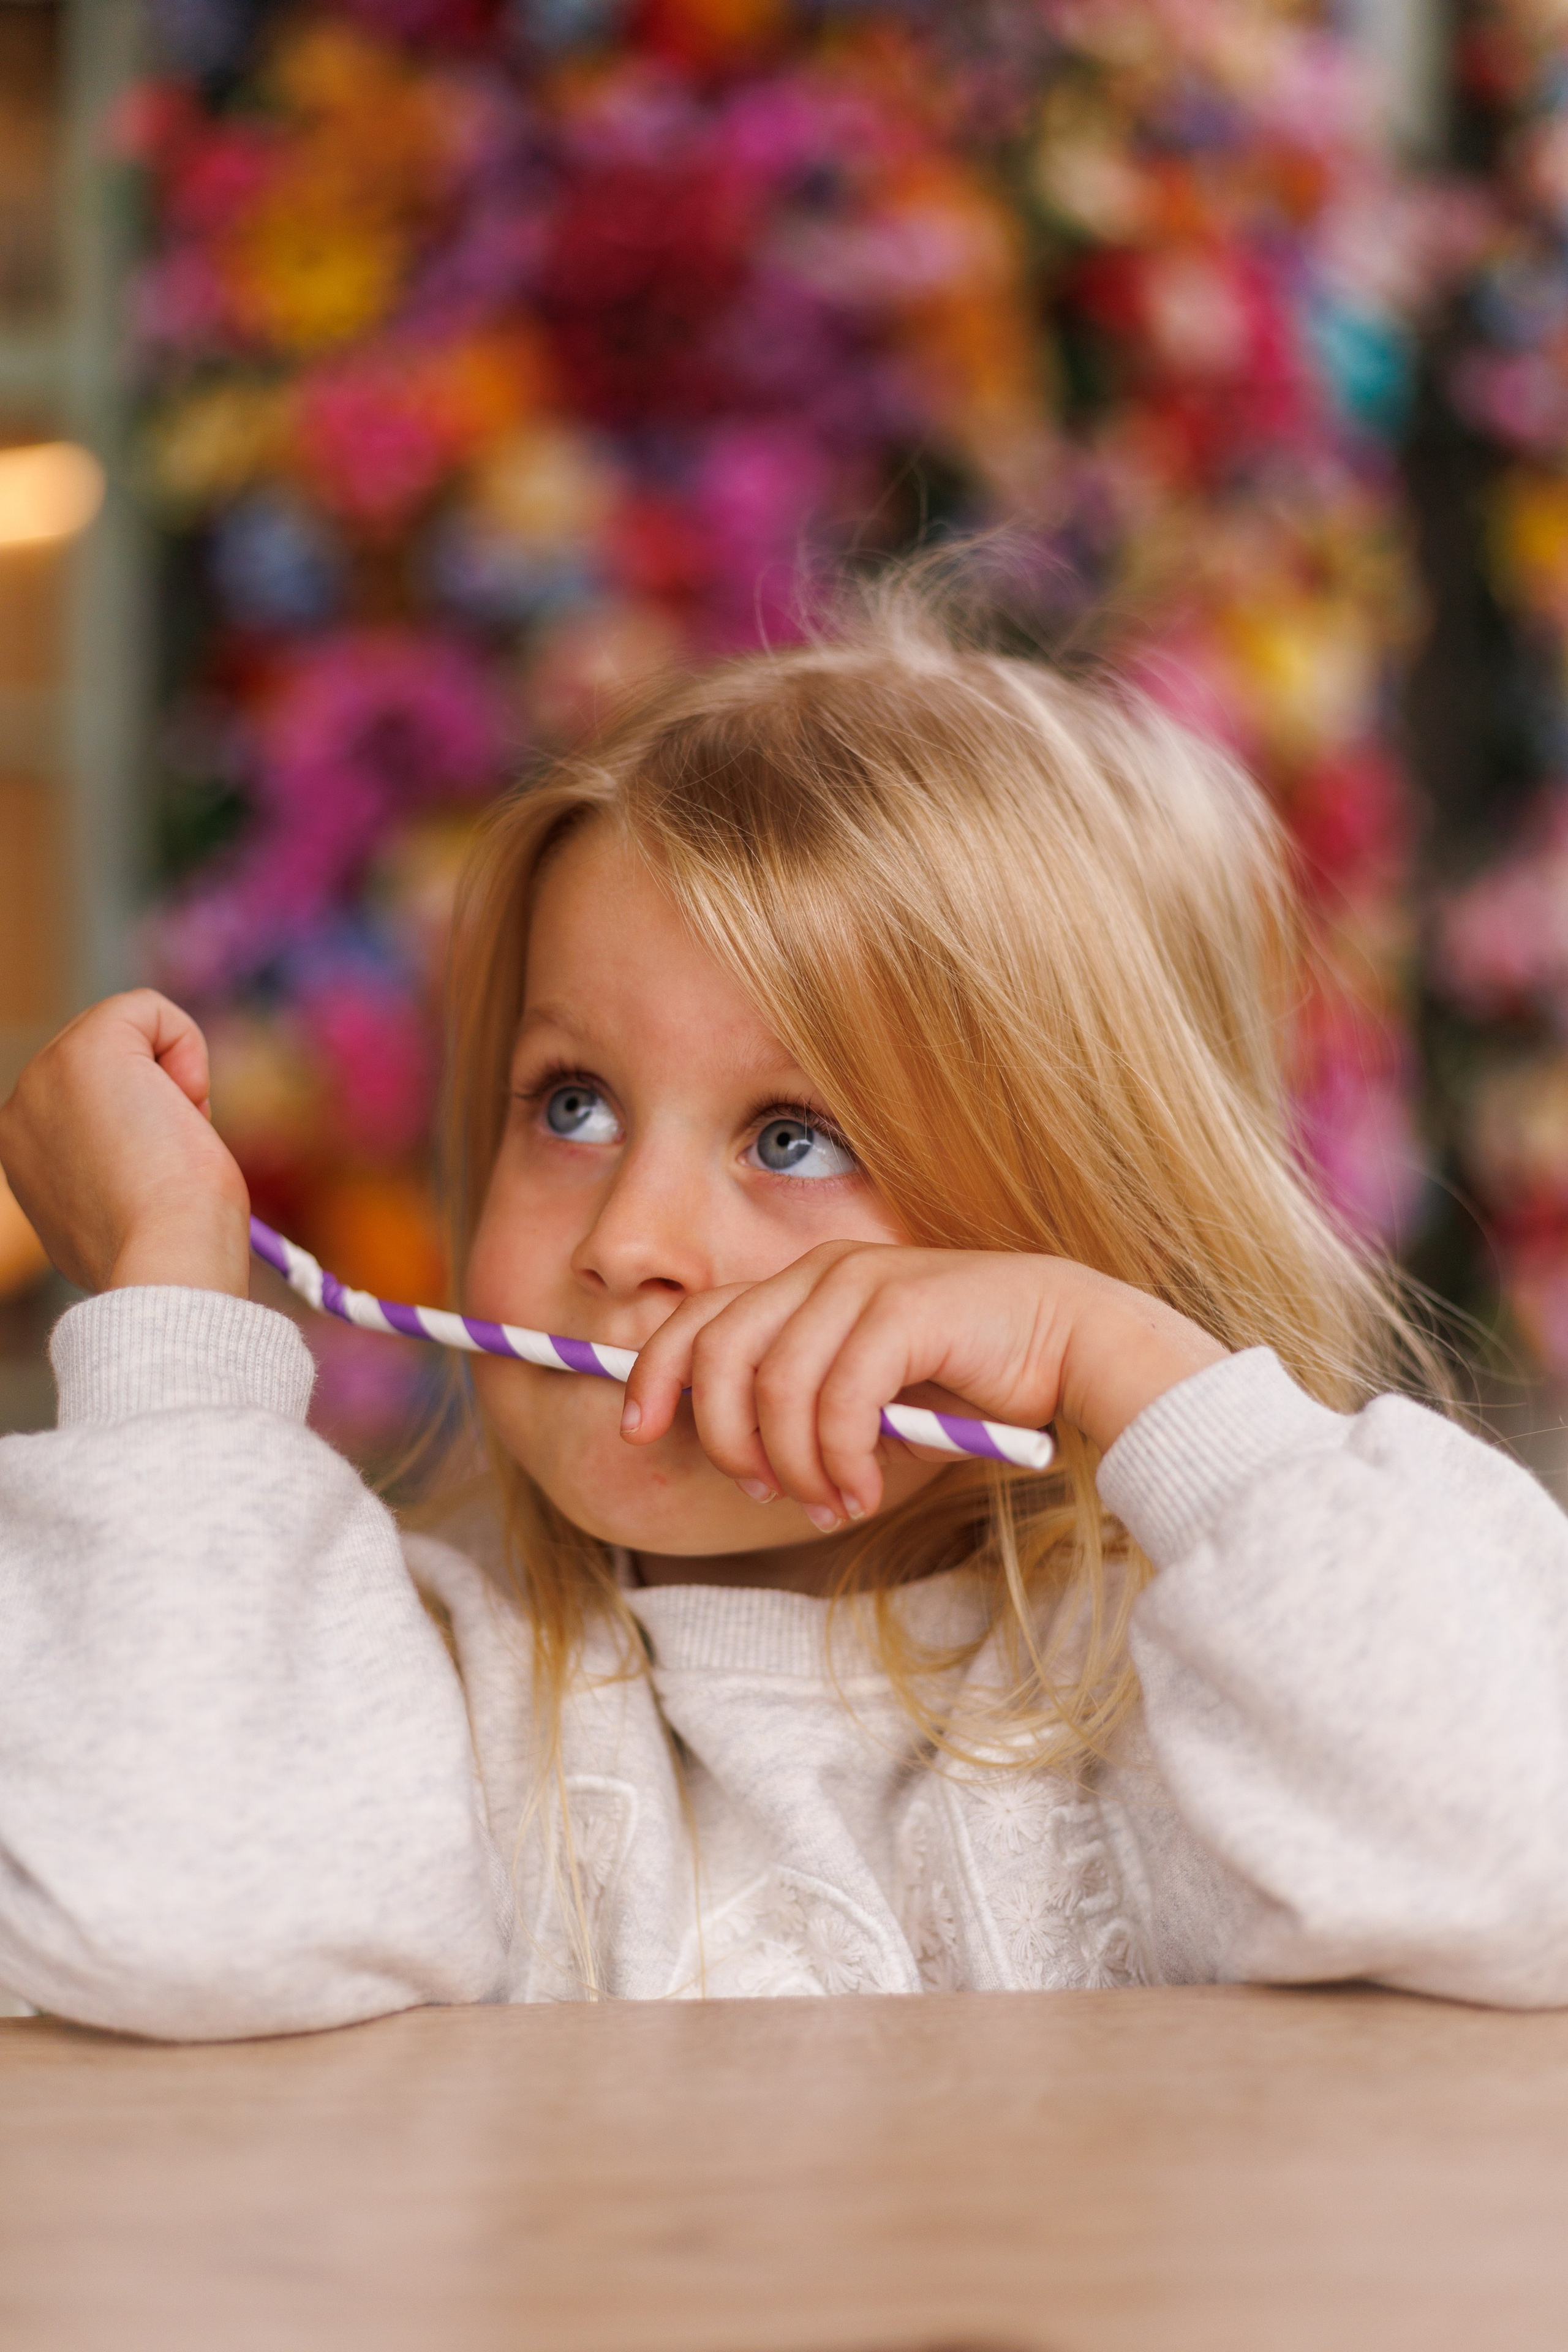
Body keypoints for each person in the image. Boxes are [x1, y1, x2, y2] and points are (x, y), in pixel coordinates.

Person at [2, 568, 1567, 2041]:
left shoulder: (1217, 1691)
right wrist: (169, 1309)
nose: (630, 1239)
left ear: (1089, 1215)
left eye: (793, 1137)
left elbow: (1528, 1847)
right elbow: (172, 1923)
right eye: (570, 1107)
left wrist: (1124, 1356)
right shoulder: (381, 1686)